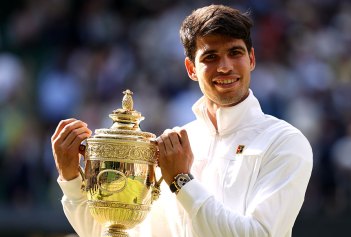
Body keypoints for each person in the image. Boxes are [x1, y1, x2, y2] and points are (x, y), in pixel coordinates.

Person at [51, 4, 313, 237]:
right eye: (210, 57)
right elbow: (114, 232)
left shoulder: (284, 141)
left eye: (235, 53)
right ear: (190, 69)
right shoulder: (173, 146)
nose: (225, 66)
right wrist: (71, 178)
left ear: (252, 59)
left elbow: (259, 235)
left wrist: (181, 181)